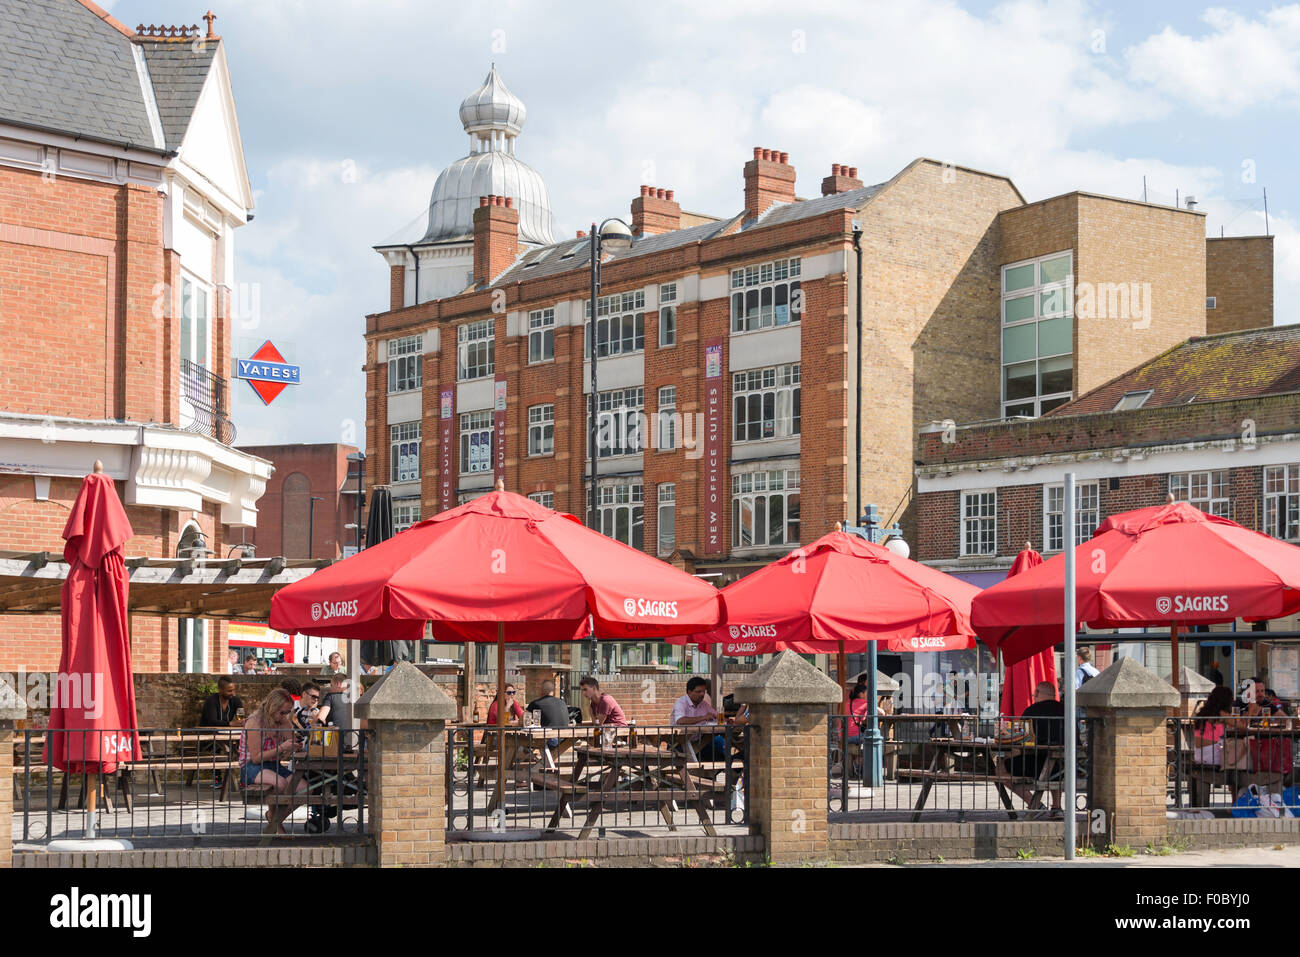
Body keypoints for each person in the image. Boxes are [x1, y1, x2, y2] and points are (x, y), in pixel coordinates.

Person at [237, 688, 306, 832]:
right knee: (280, 783)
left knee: (305, 789)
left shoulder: (283, 722)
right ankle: (276, 823)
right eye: (282, 712)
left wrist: (295, 746)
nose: (284, 716)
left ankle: (274, 820)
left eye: (288, 712)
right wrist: (282, 748)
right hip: (251, 766)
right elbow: (256, 758)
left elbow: (290, 741)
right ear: (272, 708)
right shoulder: (255, 723)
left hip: (273, 764)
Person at [999, 681, 1064, 811]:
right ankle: (1056, 807)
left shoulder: (1032, 711)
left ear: (1038, 693)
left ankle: (1035, 805)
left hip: (1041, 765)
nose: (1033, 697)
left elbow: (1021, 739)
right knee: (1054, 761)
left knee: (1000, 769)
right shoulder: (1067, 709)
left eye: (1034, 694)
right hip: (1070, 766)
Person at [198, 676, 242, 790]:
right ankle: (217, 777)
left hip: (228, 734)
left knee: (243, 746)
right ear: (220, 690)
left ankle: (245, 778)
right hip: (208, 735)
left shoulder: (235, 701)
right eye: (229, 691)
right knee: (216, 748)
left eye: (233, 690)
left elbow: (241, 718)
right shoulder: (211, 701)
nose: (232, 693)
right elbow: (212, 720)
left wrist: (236, 723)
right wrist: (230, 724)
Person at [671, 676, 726, 759]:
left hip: (697, 744)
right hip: (678, 744)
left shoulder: (703, 704)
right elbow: (680, 720)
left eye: (704, 691)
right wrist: (703, 717)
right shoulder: (681, 703)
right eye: (698, 691)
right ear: (689, 692)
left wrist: (726, 720)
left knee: (720, 757)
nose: (702, 694)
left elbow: (716, 715)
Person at [527, 679, 572, 751]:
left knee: (521, 742)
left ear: (541, 690)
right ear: (553, 691)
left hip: (549, 740)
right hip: (564, 740)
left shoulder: (536, 704)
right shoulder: (563, 703)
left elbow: (523, 720)